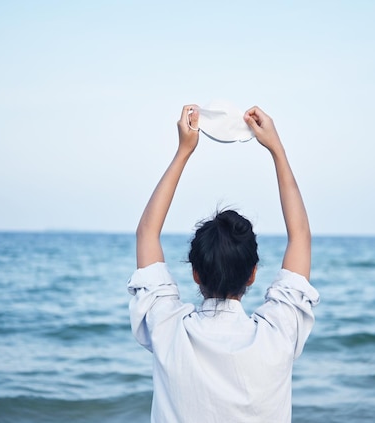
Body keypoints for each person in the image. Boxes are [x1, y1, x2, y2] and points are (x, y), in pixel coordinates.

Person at [127, 104, 319, 423]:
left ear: (195, 273)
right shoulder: (277, 335)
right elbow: (300, 237)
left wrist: (184, 151)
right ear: (253, 274)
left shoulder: (168, 329)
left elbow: (147, 232)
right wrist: (276, 149)